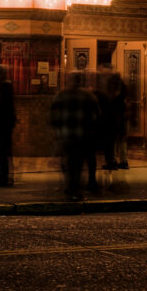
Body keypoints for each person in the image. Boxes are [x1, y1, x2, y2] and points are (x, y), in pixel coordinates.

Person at [50, 71, 100, 201]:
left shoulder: (61, 95)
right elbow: (97, 115)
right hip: (81, 135)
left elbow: (53, 115)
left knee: (69, 163)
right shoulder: (88, 96)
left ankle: (70, 188)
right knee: (77, 163)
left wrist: (57, 132)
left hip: (67, 135)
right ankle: (75, 190)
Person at [0, 64, 16, 187]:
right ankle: (6, 177)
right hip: (4, 123)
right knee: (4, 151)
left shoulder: (4, 86)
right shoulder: (5, 86)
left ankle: (4, 178)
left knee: (2, 151)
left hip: (2, 124)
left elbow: (2, 106)